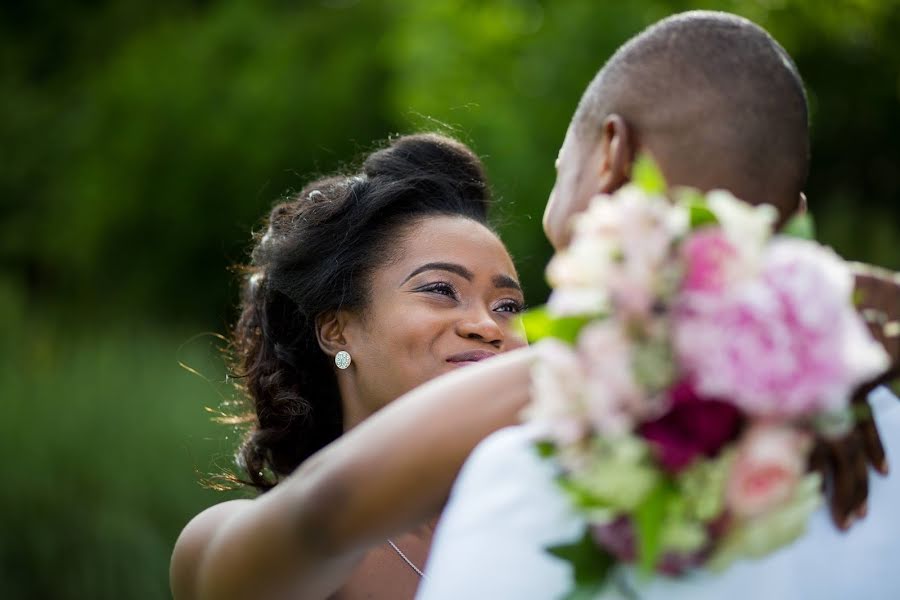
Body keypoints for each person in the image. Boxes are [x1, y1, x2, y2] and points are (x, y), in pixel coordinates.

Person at [417, 11, 900, 599]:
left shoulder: (537, 473)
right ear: (793, 216)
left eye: (561, 165)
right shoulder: (884, 442)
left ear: (612, 156)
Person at [169, 133, 532, 600]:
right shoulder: (224, 542)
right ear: (338, 331)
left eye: (507, 306)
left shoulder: (560, 524)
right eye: (441, 290)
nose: (488, 325)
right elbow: (324, 514)